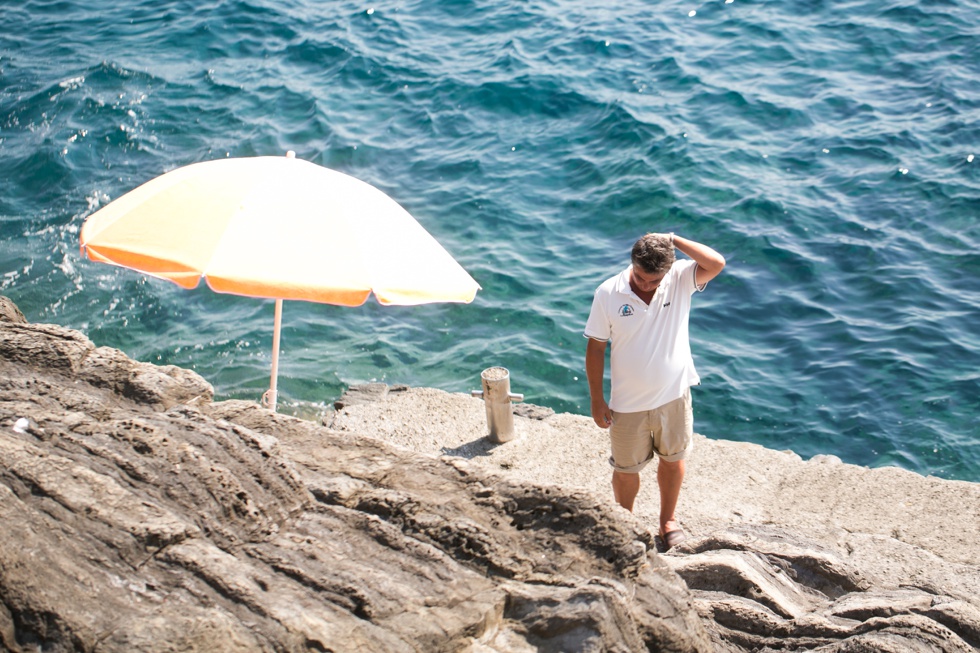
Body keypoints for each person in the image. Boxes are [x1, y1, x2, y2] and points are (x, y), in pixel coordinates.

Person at [584, 232, 725, 550]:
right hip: (628, 403)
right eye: (640, 277)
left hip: (674, 395)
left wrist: (674, 239)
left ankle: (667, 521)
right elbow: (595, 347)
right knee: (625, 470)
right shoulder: (608, 292)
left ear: (667, 271)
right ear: (631, 264)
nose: (645, 285)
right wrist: (596, 398)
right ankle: (625, 524)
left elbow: (716, 262)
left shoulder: (679, 278)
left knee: (673, 461)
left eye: (653, 281)